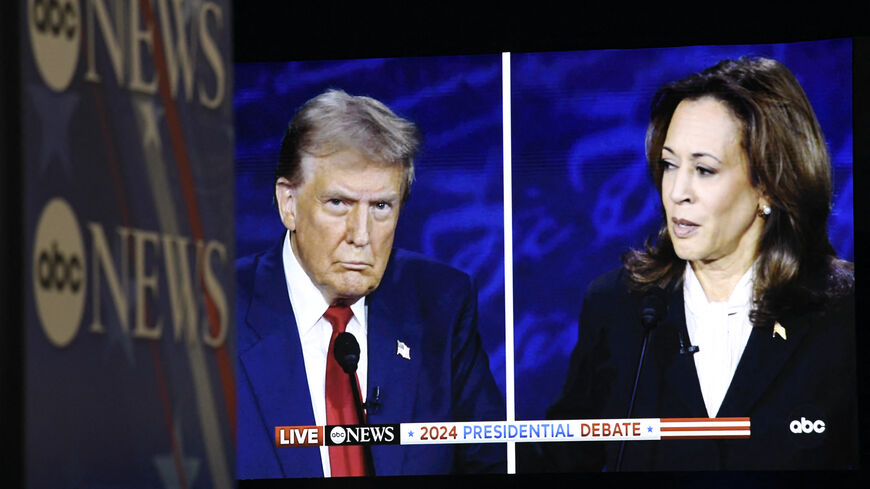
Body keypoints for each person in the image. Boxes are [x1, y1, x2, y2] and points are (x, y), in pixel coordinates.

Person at [545, 57, 856, 471]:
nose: (677, 192)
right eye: (670, 165)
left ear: (768, 185)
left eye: (704, 170)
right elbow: (560, 460)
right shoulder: (617, 305)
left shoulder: (843, 312)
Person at [235, 89, 505, 478]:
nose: (361, 235)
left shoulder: (440, 304)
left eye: (381, 206)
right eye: (339, 203)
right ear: (288, 203)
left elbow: (491, 461)